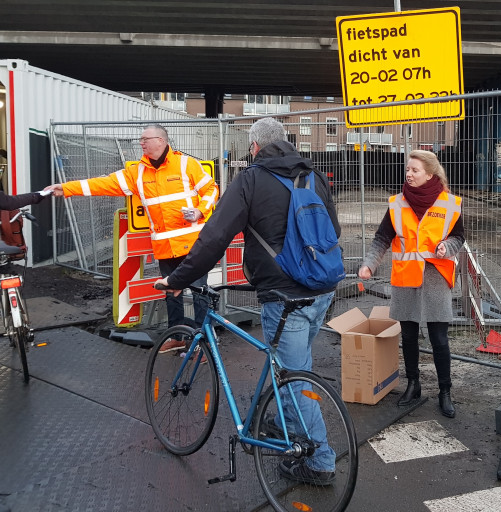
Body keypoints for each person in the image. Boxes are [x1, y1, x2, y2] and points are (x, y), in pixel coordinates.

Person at [154, 117, 341, 485]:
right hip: (324, 289)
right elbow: (332, 230)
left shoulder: (251, 180)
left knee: (293, 377)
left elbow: (214, 237)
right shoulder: (313, 175)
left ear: (254, 146)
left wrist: (178, 279)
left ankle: (320, 461)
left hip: (284, 296)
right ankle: (281, 420)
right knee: (290, 363)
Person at [45, 124, 219, 350]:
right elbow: (104, 183)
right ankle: (177, 337)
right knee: (170, 293)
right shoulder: (137, 172)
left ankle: (203, 344)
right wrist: (67, 188)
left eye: (146, 139)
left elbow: (211, 189)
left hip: (193, 245)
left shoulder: (186, 164)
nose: (141, 143)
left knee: (199, 294)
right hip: (165, 247)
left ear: (161, 140)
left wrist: (200, 211)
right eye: (141, 139)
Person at [358, 150, 464, 418]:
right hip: (405, 278)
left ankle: (445, 391)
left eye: (415, 170)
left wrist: (446, 246)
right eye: (408, 169)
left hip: (435, 279)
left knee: (439, 339)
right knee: (408, 337)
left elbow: (459, 237)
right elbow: (382, 238)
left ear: (429, 174)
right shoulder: (397, 204)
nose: (409, 174)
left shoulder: (449, 204)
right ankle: (413, 384)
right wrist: (369, 264)